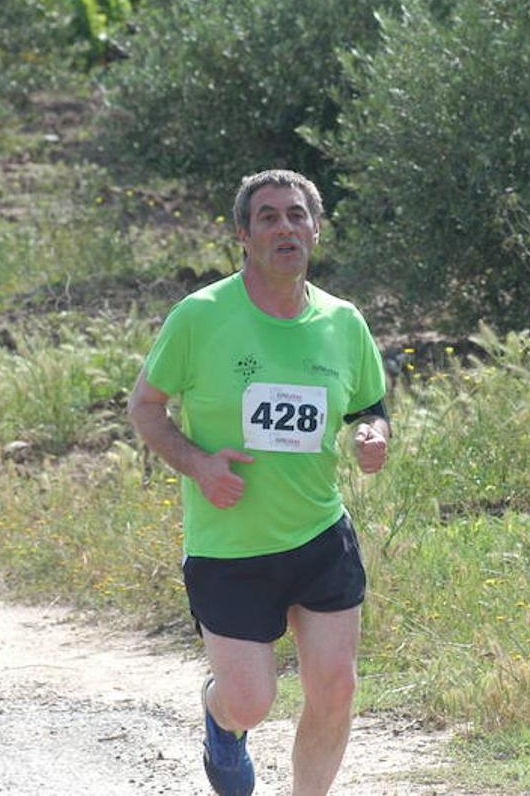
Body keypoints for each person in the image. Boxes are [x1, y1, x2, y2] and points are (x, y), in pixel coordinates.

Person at [128, 170, 390, 795]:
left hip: (319, 532)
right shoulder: (201, 316)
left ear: (316, 230)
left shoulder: (342, 321)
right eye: (268, 217)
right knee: (249, 702)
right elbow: (145, 405)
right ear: (244, 235)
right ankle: (222, 722)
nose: (285, 228)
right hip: (230, 546)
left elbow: (369, 406)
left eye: (297, 216)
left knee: (336, 688)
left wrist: (372, 436)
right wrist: (198, 464)